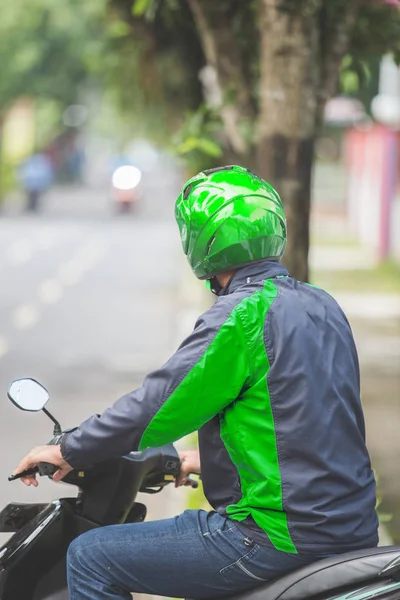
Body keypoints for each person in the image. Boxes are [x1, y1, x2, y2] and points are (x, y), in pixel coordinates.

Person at [13, 165, 378, 600]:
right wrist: (197, 459)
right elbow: (307, 418)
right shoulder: (322, 305)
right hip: (349, 528)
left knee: (91, 555)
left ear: (201, 241)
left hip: (276, 537)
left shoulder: (240, 316)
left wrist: (67, 448)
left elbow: (158, 405)